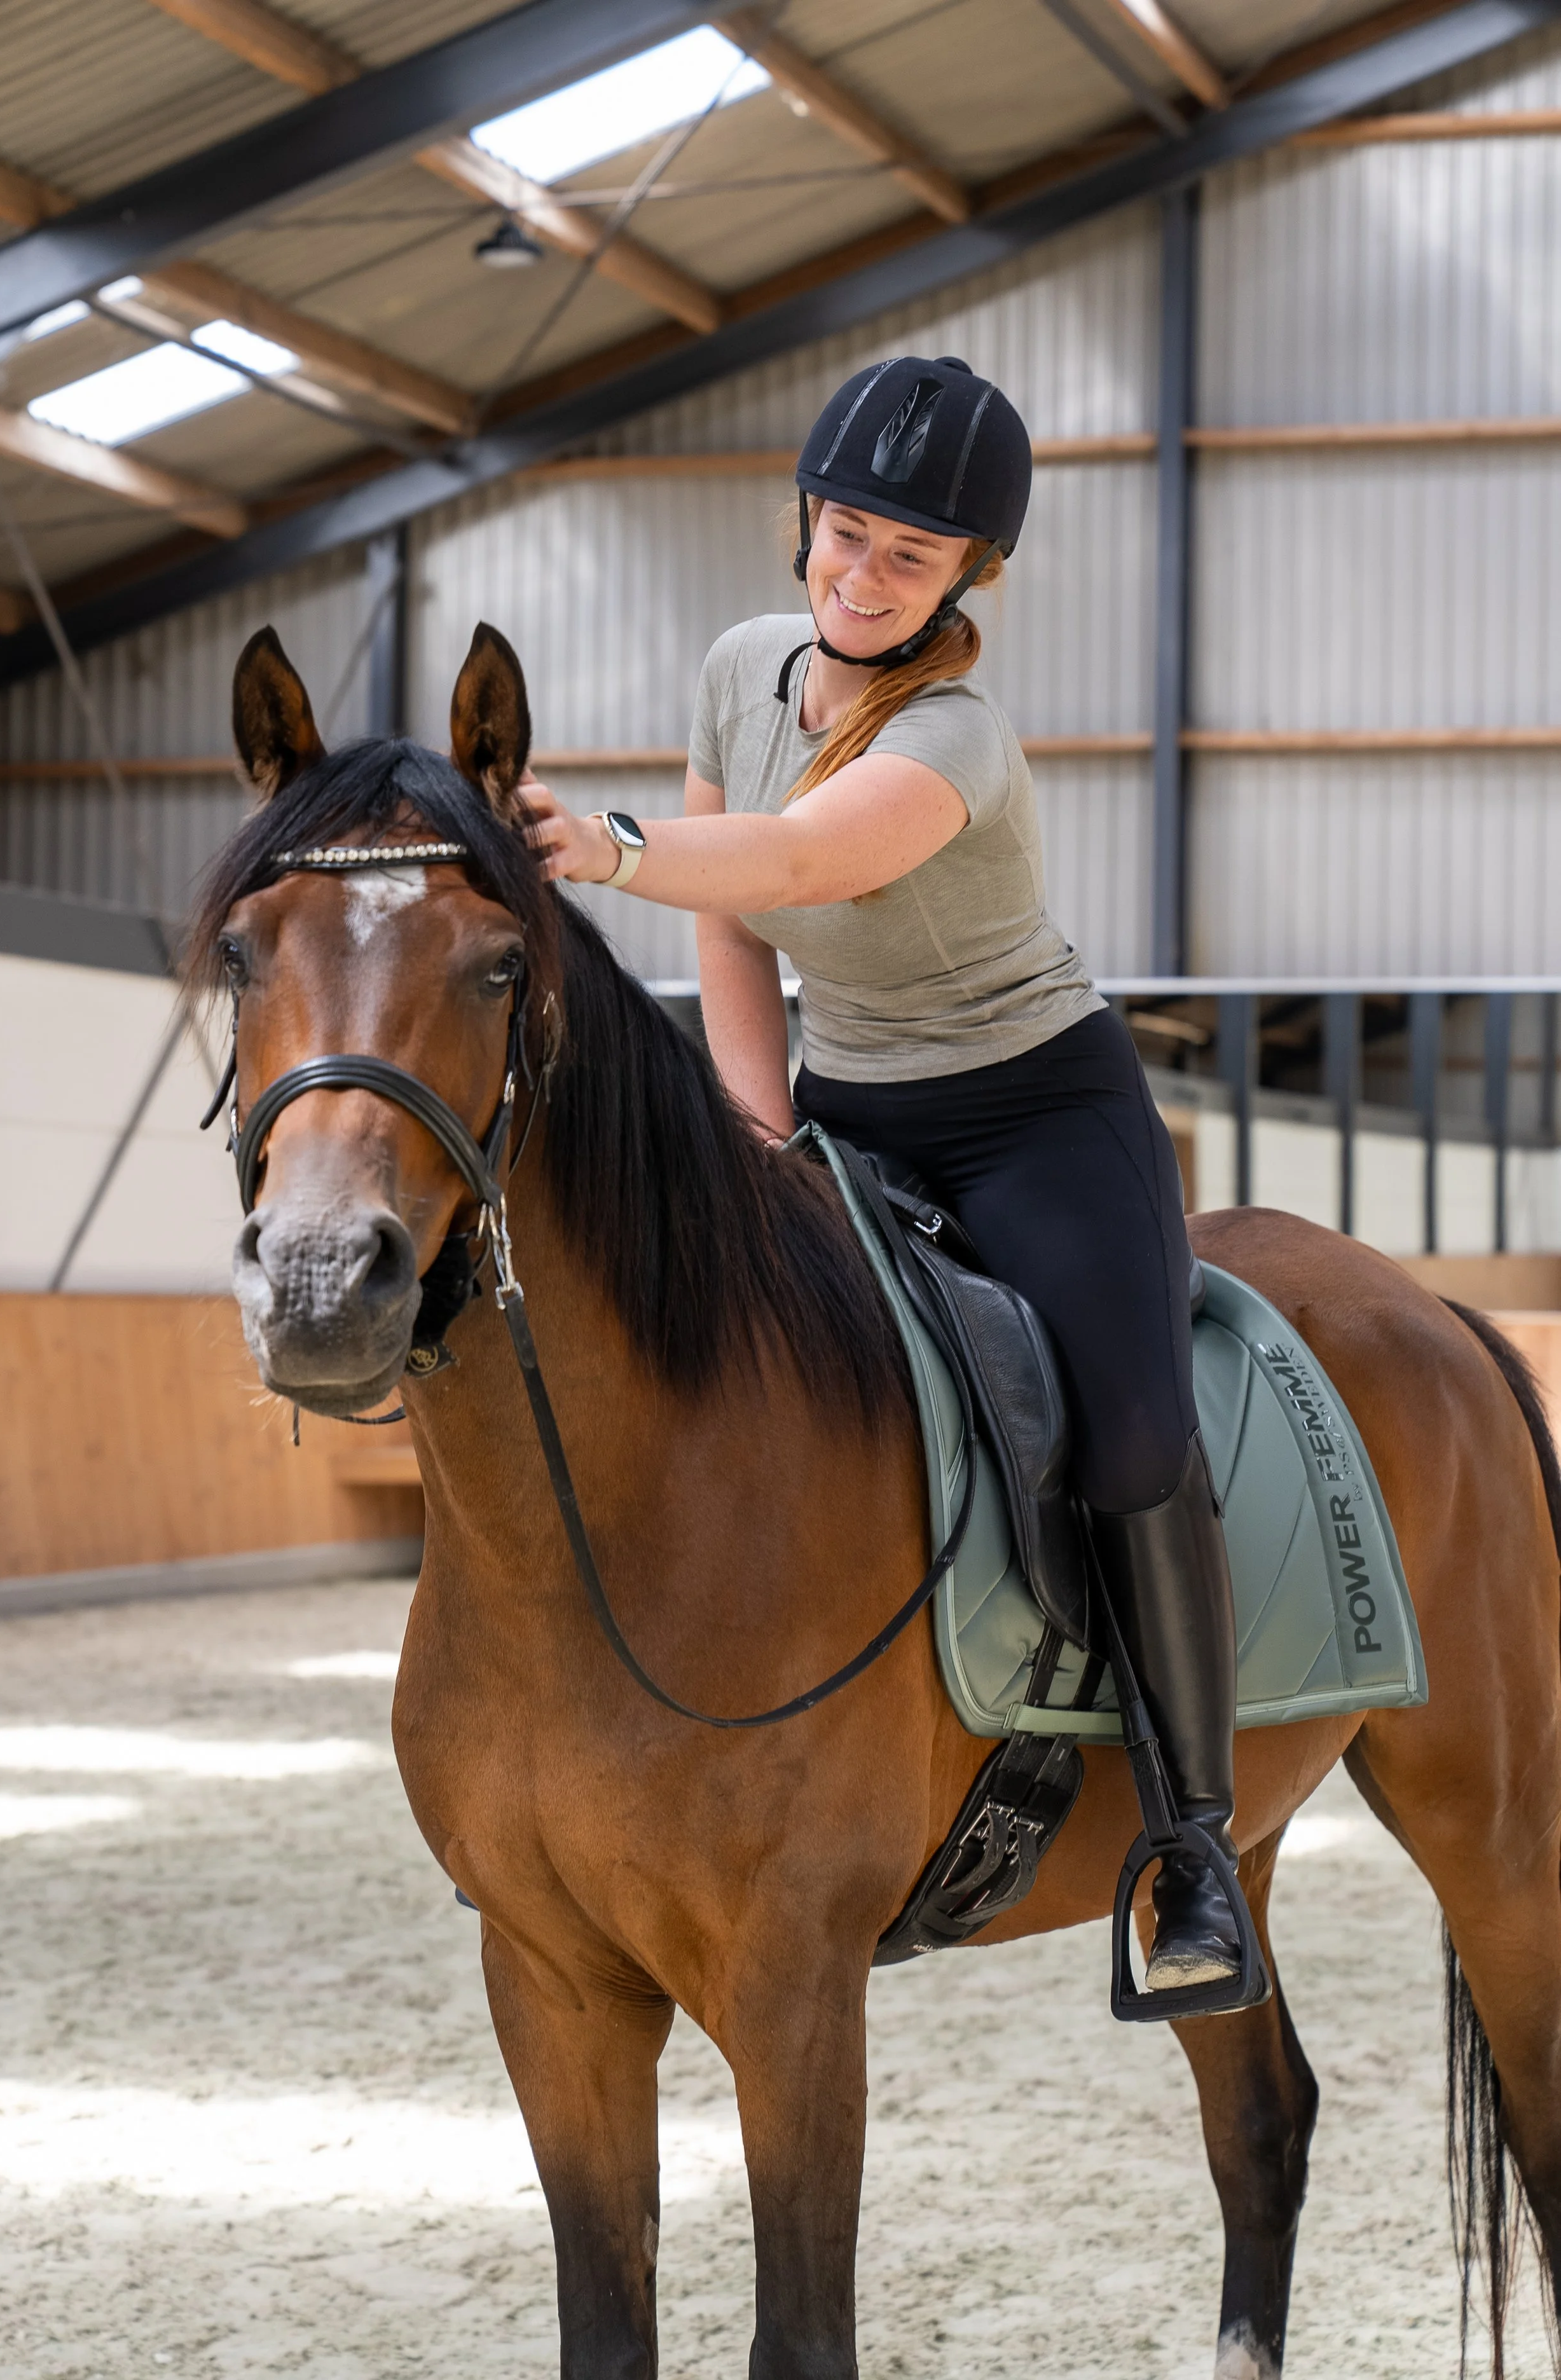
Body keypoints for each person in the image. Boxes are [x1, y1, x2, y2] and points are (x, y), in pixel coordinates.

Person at [518, 354, 1249, 1999]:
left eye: (905, 557)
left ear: (967, 579)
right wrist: (753, 1123)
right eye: (842, 532)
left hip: (1036, 1113)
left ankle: (1192, 1845)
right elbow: (731, 924)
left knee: (1130, 1428)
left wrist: (600, 847)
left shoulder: (958, 740)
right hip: (845, 1098)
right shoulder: (738, 669)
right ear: (805, 520)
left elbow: (787, 860)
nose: (858, 574)